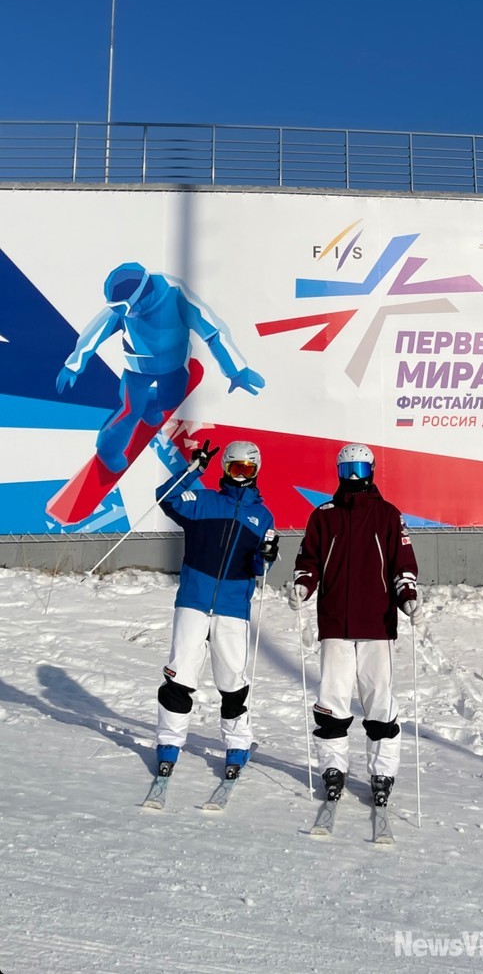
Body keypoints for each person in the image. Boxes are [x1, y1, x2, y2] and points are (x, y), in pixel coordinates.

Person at [289, 443, 420, 808]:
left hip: (377, 623)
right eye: (348, 472)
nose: (354, 478)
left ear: (372, 471)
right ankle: (333, 767)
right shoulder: (324, 516)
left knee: (379, 698)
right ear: (338, 473)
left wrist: (407, 592)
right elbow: (309, 559)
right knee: (332, 698)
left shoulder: (388, 515)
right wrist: (303, 584)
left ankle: (382, 771)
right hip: (335, 622)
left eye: (360, 471)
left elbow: (402, 561)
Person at [56, 262, 264, 473]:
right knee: (130, 411)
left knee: (171, 400)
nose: (121, 313)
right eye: (116, 308)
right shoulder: (122, 313)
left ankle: (148, 406)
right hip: (136, 368)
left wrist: (236, 371)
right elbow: (94, 333)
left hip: (172, 365)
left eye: (123, 308)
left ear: (143, 295)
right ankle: (108, 450)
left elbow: (212, 334)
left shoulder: (177, 297)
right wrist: (73, 365)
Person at [154, 438, 278, 781]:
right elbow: (166, 498)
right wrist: (193, 470)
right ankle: (169, 741)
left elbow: (259, 565)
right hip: (194, 600)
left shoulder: (262, 515)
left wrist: (266, 556)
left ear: (256, 471)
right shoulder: (202, 501)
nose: (240, 476)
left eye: (247, 470)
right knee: (180, 673)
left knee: (232, 679)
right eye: (234, 468)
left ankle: (237, 742)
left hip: (232, 607)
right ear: (225, 468)